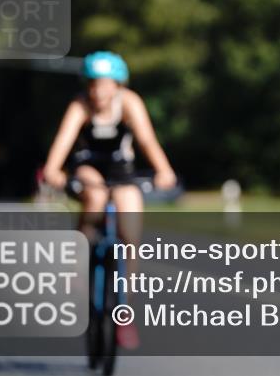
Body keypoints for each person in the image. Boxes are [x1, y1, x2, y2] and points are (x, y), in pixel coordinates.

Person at [42, 50, 177, 349]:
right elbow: (63, 140)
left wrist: (163, 169)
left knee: (130, 221)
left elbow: (146, 139)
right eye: (92, 84)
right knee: (95, 195)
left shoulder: (129, 103)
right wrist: (53, 168)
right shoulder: (80, 106)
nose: (97, 91)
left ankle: (124, 310)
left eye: (104, 84)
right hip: (88, 166)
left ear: (118, 85)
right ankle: (77, 267)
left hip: (121, 169)